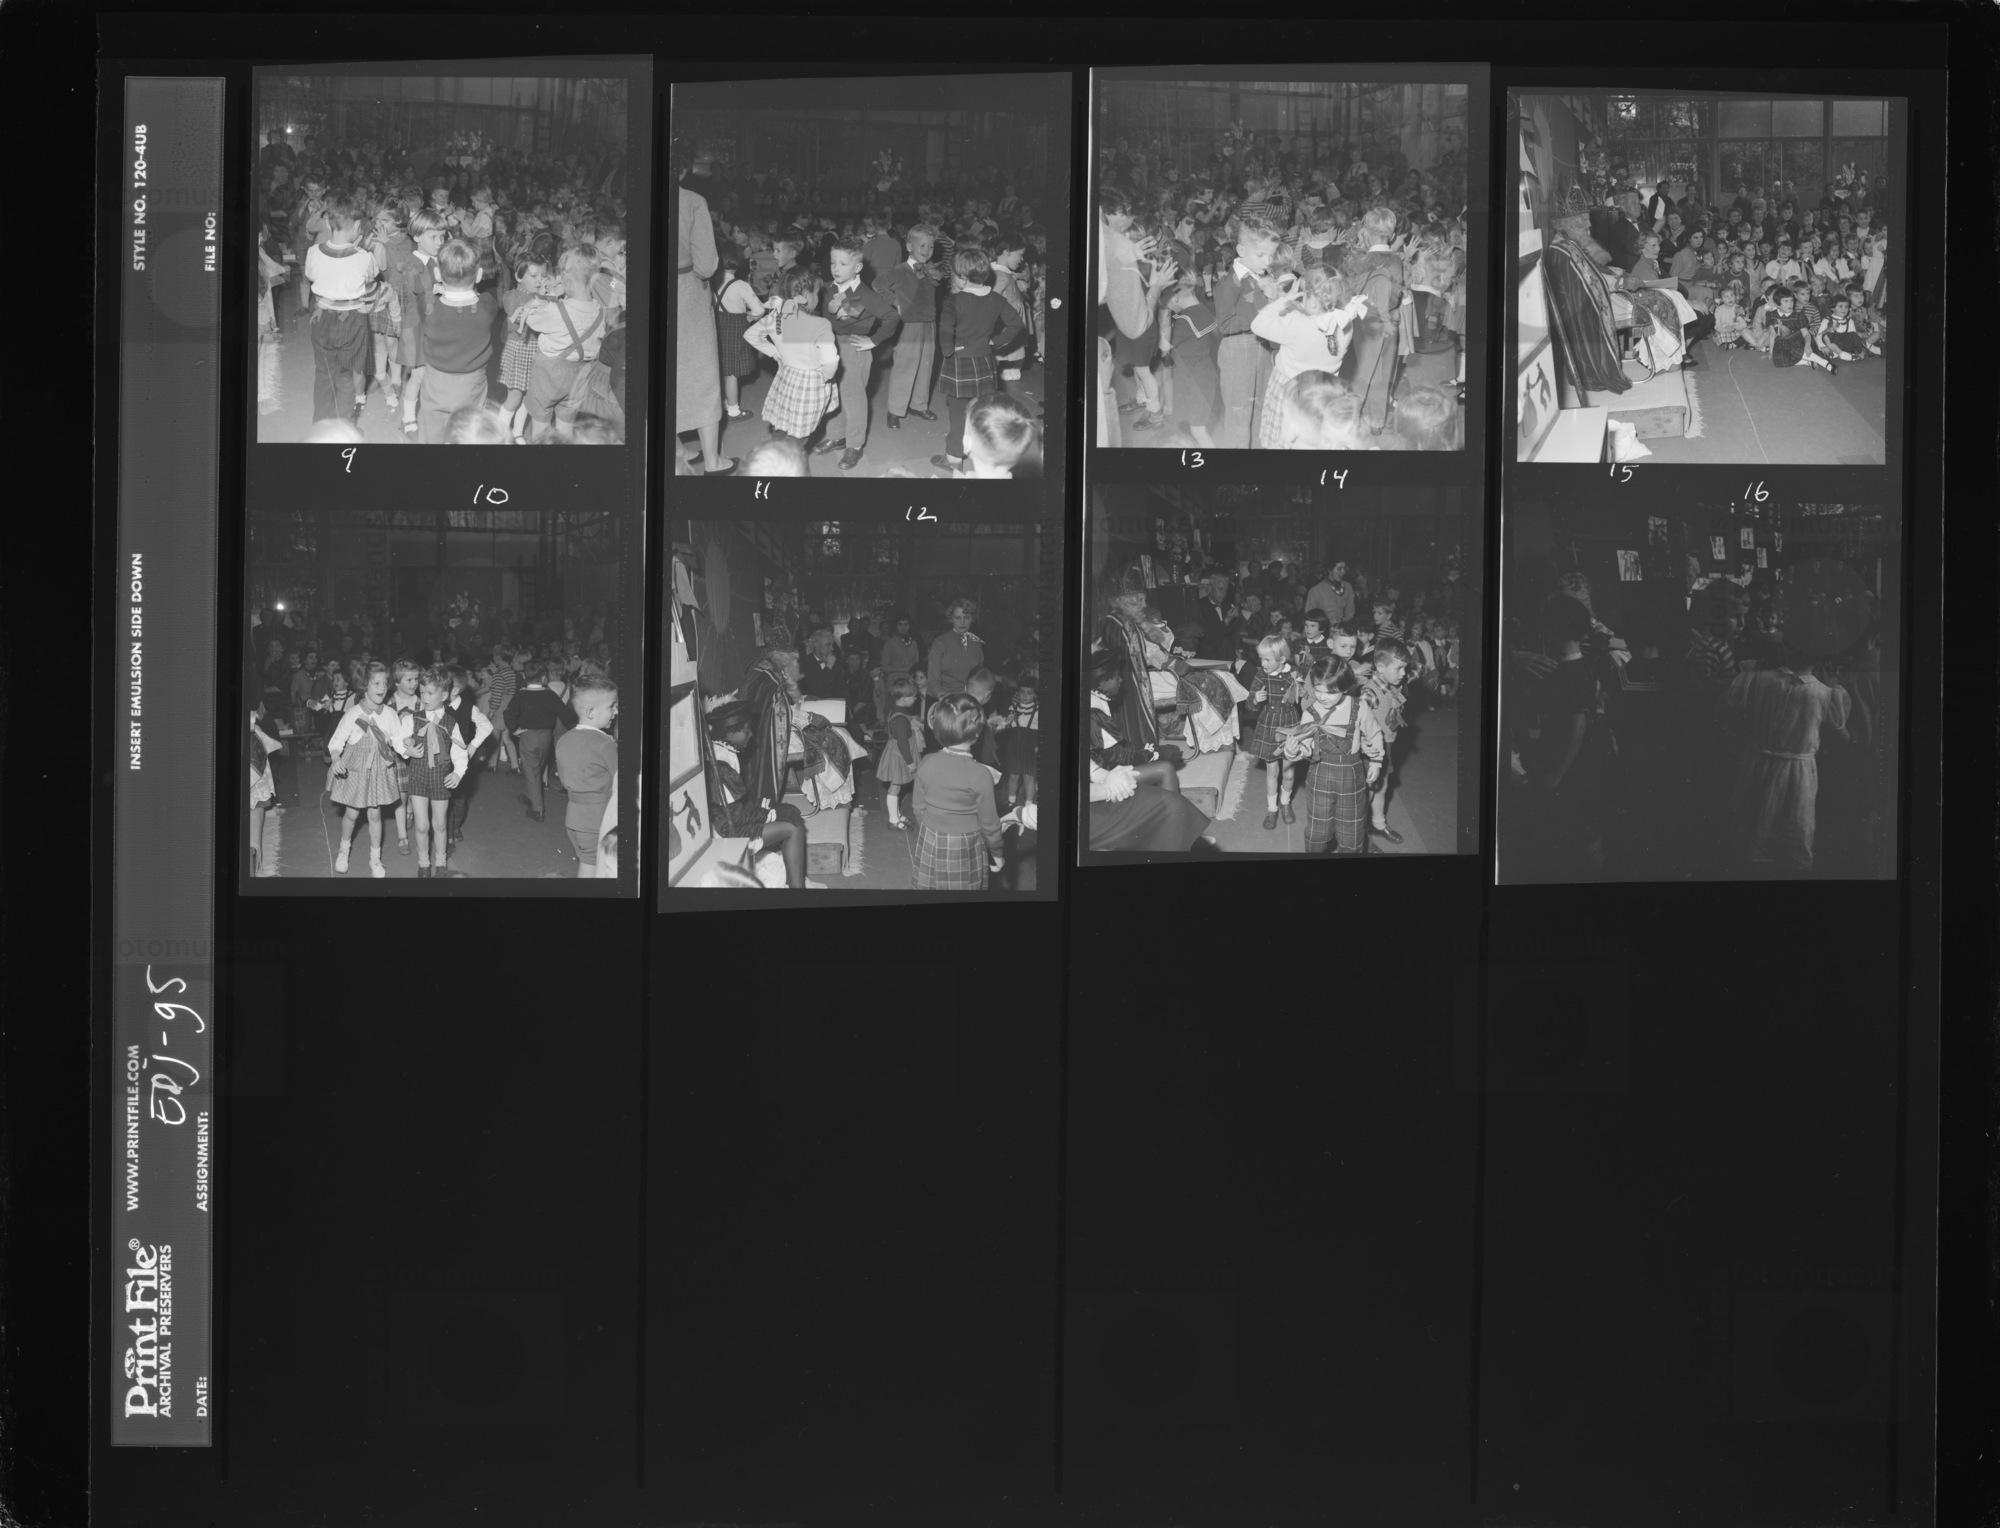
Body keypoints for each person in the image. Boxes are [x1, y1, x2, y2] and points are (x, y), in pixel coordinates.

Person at [1720, 653, 1852, 874]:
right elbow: (1844, 737)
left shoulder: (1757, 679)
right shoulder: (1826, 694)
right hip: (1799, 773)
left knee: (1752, 820)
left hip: (1759, 763)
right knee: (1793, 823)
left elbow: (1727, 711)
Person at [1250, 264, 1369, 448]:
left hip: (1289, 388)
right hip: (1322, 394)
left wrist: (1286, 299)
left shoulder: (1296, 323)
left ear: (1313, 302)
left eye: (1304, 294)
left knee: (1282, 439)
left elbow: (1257, 324)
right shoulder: (1345, 323)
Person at [929, 247, 1025, 474]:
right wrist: (995, 342)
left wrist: (948, 350)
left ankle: (954, 459)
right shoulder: (996, 299)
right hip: (984, 363)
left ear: (962, 277)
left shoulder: (954, 301)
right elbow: (1016, 324)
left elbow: (944, 329)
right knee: (982, 412)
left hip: (959, 362)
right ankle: (985, 455)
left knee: (958, 413)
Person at [1283, 653, 1384, 856]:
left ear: (1345, 688)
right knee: (1317, 831)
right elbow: (1306, 747)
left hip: (1351, 778)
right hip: (1320, 776)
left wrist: (1376, 761)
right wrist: (1293, 750)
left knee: (1352, 833)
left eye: (1330, 692)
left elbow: (1374, 733)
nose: (1322, 697)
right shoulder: (1310, 713)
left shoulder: (1359, 707)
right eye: (1318, 690)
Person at [706, 701, 812, 889]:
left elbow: (739, 803)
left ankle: (795, 886)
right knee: (794, 828)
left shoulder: (723, 751)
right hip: (724, 833)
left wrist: (770, 807)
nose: (751, 734)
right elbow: (735, 817)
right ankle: (797, 890)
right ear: (730, 734)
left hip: (725, 822)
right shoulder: (721, 765)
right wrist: (773, 813)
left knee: (790, 815)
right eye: (747, 730)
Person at [817, 237, 901, 471]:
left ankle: (854, 445)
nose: (836, 268)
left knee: (854, 399)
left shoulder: (866, 294)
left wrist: (874, 340)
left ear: (858, 267)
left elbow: (892, 317)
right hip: (830, 347)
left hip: (853, 350)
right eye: (833, 263)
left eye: (843, 264)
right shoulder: (828, 288)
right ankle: (836, 436)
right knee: (833, 395)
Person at [910, 693, 1007, 890]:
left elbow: (918, 807)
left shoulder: (926, 762)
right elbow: (989, 823)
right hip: (965, 843)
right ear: (977, 733)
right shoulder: (980, 774)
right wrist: (997, 852)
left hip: (930, 836)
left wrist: (929, 831)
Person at [303, 197, 384, 425]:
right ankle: (343, 428)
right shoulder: (363, 257)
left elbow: (312, 276)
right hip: (351, 320)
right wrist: (361, 249)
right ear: (357, 226)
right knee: (347, 376)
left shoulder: (313, 252)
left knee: (324, 373)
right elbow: (372, 276)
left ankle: (320, 424)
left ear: (329, 224)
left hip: (323, 317)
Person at [326, 661, 409, 878]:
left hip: (379, 768)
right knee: (352, 813)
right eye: (376, 683)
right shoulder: (353, 713)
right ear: (364, 686)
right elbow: (336, 741)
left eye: (384, 683)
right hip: (356, 768)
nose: (382, 688)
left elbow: (398, 740)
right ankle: (344, 850)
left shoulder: (389, 714)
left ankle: (375, 858)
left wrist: (408, 749)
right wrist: (336, 758)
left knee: (374, 814)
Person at [413, 238, 498, 443]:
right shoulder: (487, 305)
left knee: (432, 427)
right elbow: (481, 301)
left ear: (437, 274)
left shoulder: (427, 305)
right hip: (471, 382)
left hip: (435, 379)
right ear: (479, 275)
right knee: (468, 431)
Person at [746, 270, 840, 446]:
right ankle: (788, 460)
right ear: (805, 296)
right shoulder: (821, 324)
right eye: (817, 293)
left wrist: (776, 353)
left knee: (783, 423)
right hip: (811, 385)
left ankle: (774, 453)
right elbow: (830, 361)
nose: (818, 297)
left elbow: (750, 335)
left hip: (787, 379)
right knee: (800, 434)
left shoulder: (776, 316)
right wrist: (826, 377)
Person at [677, 178, 733, 473]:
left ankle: (677, 450)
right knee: (702, 372)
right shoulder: (692, 201)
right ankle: (713, 461)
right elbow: (707, 265)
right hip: (685, 290)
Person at [1213, 218, 1284, 448]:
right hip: (1237, 351)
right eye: (1261, 255)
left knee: (1261, 406)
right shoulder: (1229, 282)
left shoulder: (1259, 277)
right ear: (1241, 250)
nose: (1268, 261)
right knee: (1239, 412)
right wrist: (1261, 313)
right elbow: (1225, 325)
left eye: (1271, 255)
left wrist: (1274, 300)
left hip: (1261, 347)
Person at [403, 668, 470, 878]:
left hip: (441, 778)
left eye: (430, 693)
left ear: (444, 695)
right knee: (422, 825)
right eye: (422, 692)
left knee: (440, 824)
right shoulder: (412, 719)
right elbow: (398, 740)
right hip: (418, 776)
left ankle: (441, 863)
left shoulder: (450, 722)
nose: (424, 697)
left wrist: (458, 773)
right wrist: (406, 748)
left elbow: (460, 752)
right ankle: (424, 863)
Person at [554, 677, 618, 878]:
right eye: (611, 706)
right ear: (591, 712)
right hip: (597, 819)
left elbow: (565, 778)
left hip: (573, 818)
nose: (616, 711)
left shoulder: (564, 739)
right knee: (593, 871)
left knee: (587, 863)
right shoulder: (605, 744)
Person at [880, 223, 942, 429]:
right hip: (909, 326)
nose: (927, 250)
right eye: (922, 245)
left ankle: (919, 404)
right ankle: (895, 409)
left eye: (931, 246)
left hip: (929, 323)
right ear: (909, 246)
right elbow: (878, 285)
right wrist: (896, 302)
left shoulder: (931, 270)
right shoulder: (899, 270)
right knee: (904, 367)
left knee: (926, 366)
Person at [1240, 633, 1301, 830]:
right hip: (1269, 725)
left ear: (1282, 659)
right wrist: (1255, 699)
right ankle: (1272, 809)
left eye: (1267, 659)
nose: (1263, 663)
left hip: (1290, 725)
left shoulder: (1294, 673)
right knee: (1272, 772)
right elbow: (1249, 705)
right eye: (1261, 659)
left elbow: (1305, 697)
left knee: (1289, 773)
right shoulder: (1261, 675)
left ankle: (1285, 803)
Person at [504, 660, 576, 824]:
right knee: (539, 767)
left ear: (525, 677)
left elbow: (508, 714)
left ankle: (537, 810)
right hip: (546, 737)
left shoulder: (521, 695)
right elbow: (567, 715)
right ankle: (532, 795)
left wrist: (514, 730)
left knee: (531, 771)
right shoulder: (550, 695)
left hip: (528, 737)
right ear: (544, 678)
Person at [876, 673, 926, 830]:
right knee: (895, 787)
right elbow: (902, 743)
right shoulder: (901, 719)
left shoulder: (897, 711)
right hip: (900, 756)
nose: (915, 698)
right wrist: (910, 762)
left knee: (896, 787)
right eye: (913, 696)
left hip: (897, 753)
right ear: (904, 698)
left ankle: (897, 815)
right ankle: (893, 820)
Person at [997, 673, 1040, 812]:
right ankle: (1011, 801)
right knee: (1013, 775)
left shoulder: (1038, 710)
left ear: (1035, 695)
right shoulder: (1013, 707)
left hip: (1030, 745)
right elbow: (1007, 724)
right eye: (1022, 692)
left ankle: (1028, 805)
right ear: (1018, 693)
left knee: (1029, 777)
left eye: (1029, 693)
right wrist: (1007, 721)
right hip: (1015, 745)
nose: (1025, 695)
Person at [927, 598, 985, 699]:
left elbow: (979, 676)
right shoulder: (939, 643)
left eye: (966, 617)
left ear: (972, 618)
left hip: (968, 698)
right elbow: (933, 680)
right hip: (943, 698)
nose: (962, 622)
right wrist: (941, 695)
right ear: (951, 619)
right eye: (957, 618)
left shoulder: (976, 643)